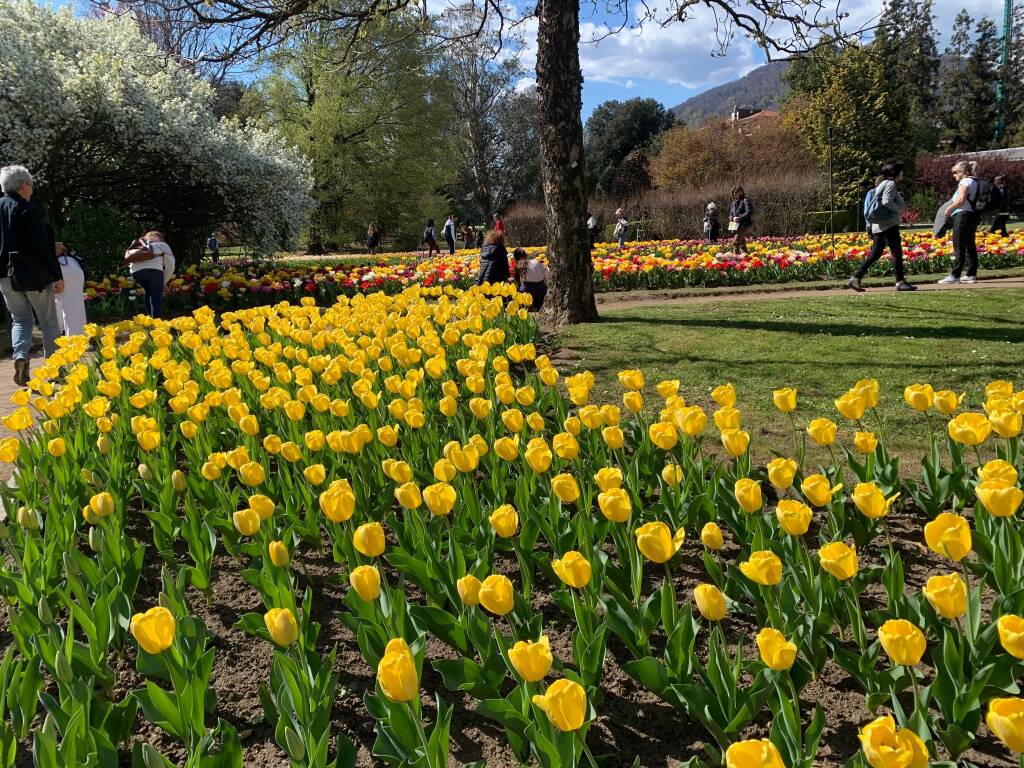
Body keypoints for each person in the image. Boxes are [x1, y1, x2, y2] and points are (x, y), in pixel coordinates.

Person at [0, 166, 63, 385]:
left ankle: (20, 357)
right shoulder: (27, 209)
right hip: (32, 274)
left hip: (4, 275)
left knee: (20, 319)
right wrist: (56, 275)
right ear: (23, 185)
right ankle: (55, 369)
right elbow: (41, 248)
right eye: (31, 183)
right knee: (49, 321)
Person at [847, 161, 917, 293]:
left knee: (875, 254)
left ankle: (855, 278)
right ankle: (900, 282)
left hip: (879, 226)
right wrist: (899, 210)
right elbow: (886, 201)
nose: (903, 173)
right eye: (901, 171)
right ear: (896, 172)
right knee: (897, 253)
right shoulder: (890, 184)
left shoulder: (884, 183)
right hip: (888, 225)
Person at [938, 160, 981, 285]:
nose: (954, 175)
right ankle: (971, 274)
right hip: (971, 216)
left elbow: (961, 200)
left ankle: (955, 275)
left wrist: (948, 209)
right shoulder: (974, 181)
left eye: (955, 172)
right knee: (970, 245)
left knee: (959, 246)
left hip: (962, 215)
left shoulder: (965, 181)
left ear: (963, 171)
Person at [127, 230, 175, 318]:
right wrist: (163, 282)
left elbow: (130, 261)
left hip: (136, 273)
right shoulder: (162, 245)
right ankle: (157, 322)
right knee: (156, 295)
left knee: (148, 291)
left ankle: (151, 319)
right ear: (159, 237)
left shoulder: (138, 245)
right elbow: (171, 265)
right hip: (154, 271)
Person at [54, 241, 87, 336]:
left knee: (56, 303)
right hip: (70, 264)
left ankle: (59, 336)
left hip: (60, 264)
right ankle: (76, 338)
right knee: (73, 305)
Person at [728, 186, 753, 254]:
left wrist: (739, 217)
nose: (734, 193)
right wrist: (733, 218)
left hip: (743, 224)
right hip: (735, 225)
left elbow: (749, 212)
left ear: (741, 192)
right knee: (742, 244)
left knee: (735, 242)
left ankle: (735, 258)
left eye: (736, 192)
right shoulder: (733, 204)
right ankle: (746, 257)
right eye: (733, 192)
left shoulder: (745, 200)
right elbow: (730, 216)